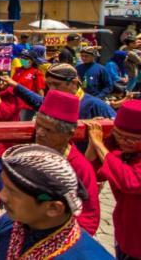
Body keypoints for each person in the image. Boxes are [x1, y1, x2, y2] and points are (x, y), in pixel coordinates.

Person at [0, 144, 112, 260]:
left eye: (12, 192)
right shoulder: (12, 223)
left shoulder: (88, 255)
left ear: (53, 208)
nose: (2, 196)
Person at [32, 90, 100, 235]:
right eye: (38, 125)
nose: (40, 133)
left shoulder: (79, 168)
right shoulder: (32, 154)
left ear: (68, 134)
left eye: (48, 130)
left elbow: (89, 218)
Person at [85, 100, 141, 259]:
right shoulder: (122, 154)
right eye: (119, 136)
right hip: (126, 234)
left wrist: (99, 144)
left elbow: (129, 181)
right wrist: (93, 144)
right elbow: (90, 173)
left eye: (131, 139)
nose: (124, 142)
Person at [3, 63, 115, 121]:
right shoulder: (56, 101)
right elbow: (37, 101)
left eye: (56, 84)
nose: (51, 90)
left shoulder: (95, 105)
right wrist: (15, 85)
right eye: (49, 85)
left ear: (74, 82)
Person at [11, 48, 46, 121]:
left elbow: (40, 91)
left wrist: (41, 107)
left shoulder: (36, 73)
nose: (23, 60)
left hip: (27, 106)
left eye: (26, 58)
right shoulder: (18, 70)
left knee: (22, 126)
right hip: (14, 104)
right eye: (22, 57)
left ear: (32, 60)